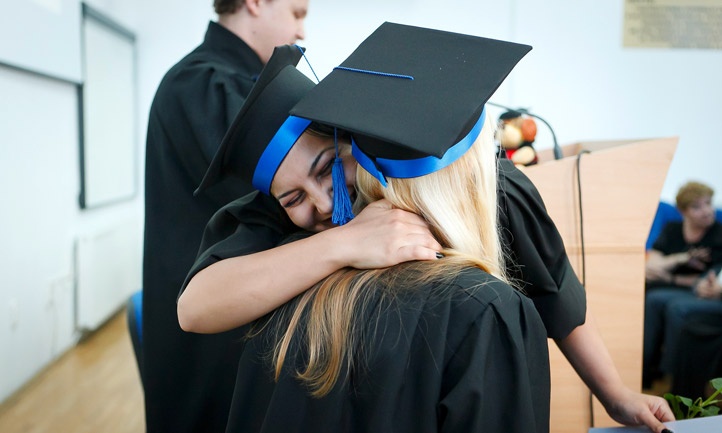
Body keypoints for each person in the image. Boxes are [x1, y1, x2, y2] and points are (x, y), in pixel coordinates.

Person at [179, 24, 674, 433]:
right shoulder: (277, 216)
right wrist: (343, 242)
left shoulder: (491, 188)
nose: (324, 203)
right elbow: (196, 307)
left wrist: (614, 395)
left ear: (349, 135)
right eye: (293, 198)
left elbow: (556, 293)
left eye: (328, 167)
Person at [142, 1, 309, 430]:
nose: (302, 31)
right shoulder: (200, 84)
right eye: (296, 12)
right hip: (209, 339)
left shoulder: (230, 85)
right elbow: (280, 190)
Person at [643, 181, 722, 387]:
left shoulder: (718, 233)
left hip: (698, 291)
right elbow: (651, 265)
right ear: (683, 211)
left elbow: (706, 281)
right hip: (677, 286)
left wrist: (669, 274)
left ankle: (672, 374)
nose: (706, 211)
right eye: (697, 206)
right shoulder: (673, 228)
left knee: (673, 306)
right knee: (651, 297)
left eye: (708, 203)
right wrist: (679, 259)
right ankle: (644, 369)